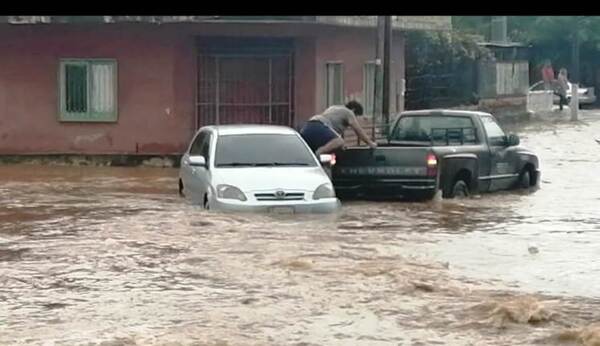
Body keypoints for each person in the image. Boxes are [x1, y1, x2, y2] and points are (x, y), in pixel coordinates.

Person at [300, 101, 377, 155]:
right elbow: (358, 130)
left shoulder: (333, 108)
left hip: (308, 125)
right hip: (320, 125)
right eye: (356, 116)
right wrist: (370, 143)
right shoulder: (348, 112)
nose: (355, 118)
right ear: (354, 110)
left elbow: (331, 133)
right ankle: (319, 153)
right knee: (340, 142)